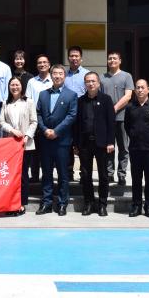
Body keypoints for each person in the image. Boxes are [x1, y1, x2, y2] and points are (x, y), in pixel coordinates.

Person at [34, 64, 77, 215]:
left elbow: (71, 116)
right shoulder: (43, 94)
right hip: (45, 139)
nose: (57, 76)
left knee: (63, 174)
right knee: (46, 173)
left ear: (64, 76)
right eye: (55, 73)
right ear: (51, 76)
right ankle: (46, 203)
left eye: (60, 73)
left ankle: (62, 203)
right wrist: (45, 130)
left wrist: (57, 131)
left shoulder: (71, 95)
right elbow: (38, 114)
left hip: (62, 141)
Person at [73, 72, 115, 217]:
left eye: (93, 81)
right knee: (86, 175)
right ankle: (89, 203)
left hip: (102, 144)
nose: (90, 84)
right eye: (87, 81)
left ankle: (102, 204)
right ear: (85, 84)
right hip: (84, 144)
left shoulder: (106, 99)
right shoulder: (80, 101)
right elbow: (77, 124)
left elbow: (111, 122)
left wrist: (110, 141)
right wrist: (76, 144)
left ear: (98, 83)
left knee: (103, 175)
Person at [124, 78, 149, 219]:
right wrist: (134, 137)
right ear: (135, 90)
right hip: (135, 148)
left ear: (148, 89)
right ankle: (136, 206)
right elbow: (127, 126)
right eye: (137, 87)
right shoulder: (130, 107)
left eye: (142, 87)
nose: (140, 90)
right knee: (136, 179)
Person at [0, 76, 37, 214]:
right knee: (10, 175)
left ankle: (21, 203)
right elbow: (1, 121)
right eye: (12, 85)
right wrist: (11, 130)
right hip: (10, 144)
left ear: (22, 87)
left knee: (22, 175)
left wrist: (27, 135)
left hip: (25, 144)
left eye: (17, 85)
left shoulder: (29, 102)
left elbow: (34, 121)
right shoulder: (6, 103)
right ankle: (10, 202)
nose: (14, 87)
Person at [100, 50, 135, 186]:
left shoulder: (126, 76)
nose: (112, 61)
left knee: (123, 148)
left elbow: (128, 96)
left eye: (115, 58)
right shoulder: (102, 78)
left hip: (122, 118)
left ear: (120, 61)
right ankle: (109, 174)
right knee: (108, 147)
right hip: (106, 120)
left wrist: (113, 109)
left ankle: (121, 175)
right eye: (110, 58)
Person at [24, 54, 52, 182]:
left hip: (50, 118)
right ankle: (34, 175)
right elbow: (28, 100)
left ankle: (47, 176)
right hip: (35, 119)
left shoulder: (53, 80)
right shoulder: (32, 81)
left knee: (48, 150)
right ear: (36, 66)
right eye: (39, 62)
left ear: (49, 65)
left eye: (44, 62)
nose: (42, 64)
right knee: (35, 149)